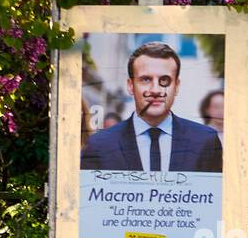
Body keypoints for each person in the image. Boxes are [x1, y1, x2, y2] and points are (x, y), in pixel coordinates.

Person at [80, 41, 222, 173]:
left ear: (176, 86)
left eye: (164, 80)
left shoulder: (205, 141)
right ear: (130, 86)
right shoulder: (99, 146)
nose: (155, 90)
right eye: (146, 79)